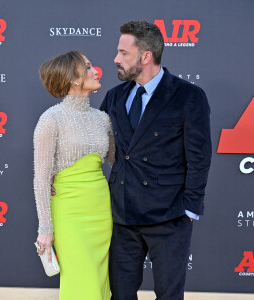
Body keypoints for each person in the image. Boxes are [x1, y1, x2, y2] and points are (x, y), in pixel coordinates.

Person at [100, 20, 212, 300]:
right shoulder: (114, 96)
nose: (116, 59)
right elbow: (94, 144)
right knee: (121, 295)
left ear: (146, 56)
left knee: (169, 295)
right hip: (121, 215)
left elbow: (199, 158)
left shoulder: (188, 96)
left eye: (124, 53)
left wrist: (190, 209)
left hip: (169, 216)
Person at [33, 51, 115, 300]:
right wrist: (45, 228)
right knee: (81, 282)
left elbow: (118, 163)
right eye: (88, 67)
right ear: (74, 79)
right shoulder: (51, 119)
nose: (96, 71)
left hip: (101, 210)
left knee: (100, 282)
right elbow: (41, 179)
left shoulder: (103, 119)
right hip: (69, 213)